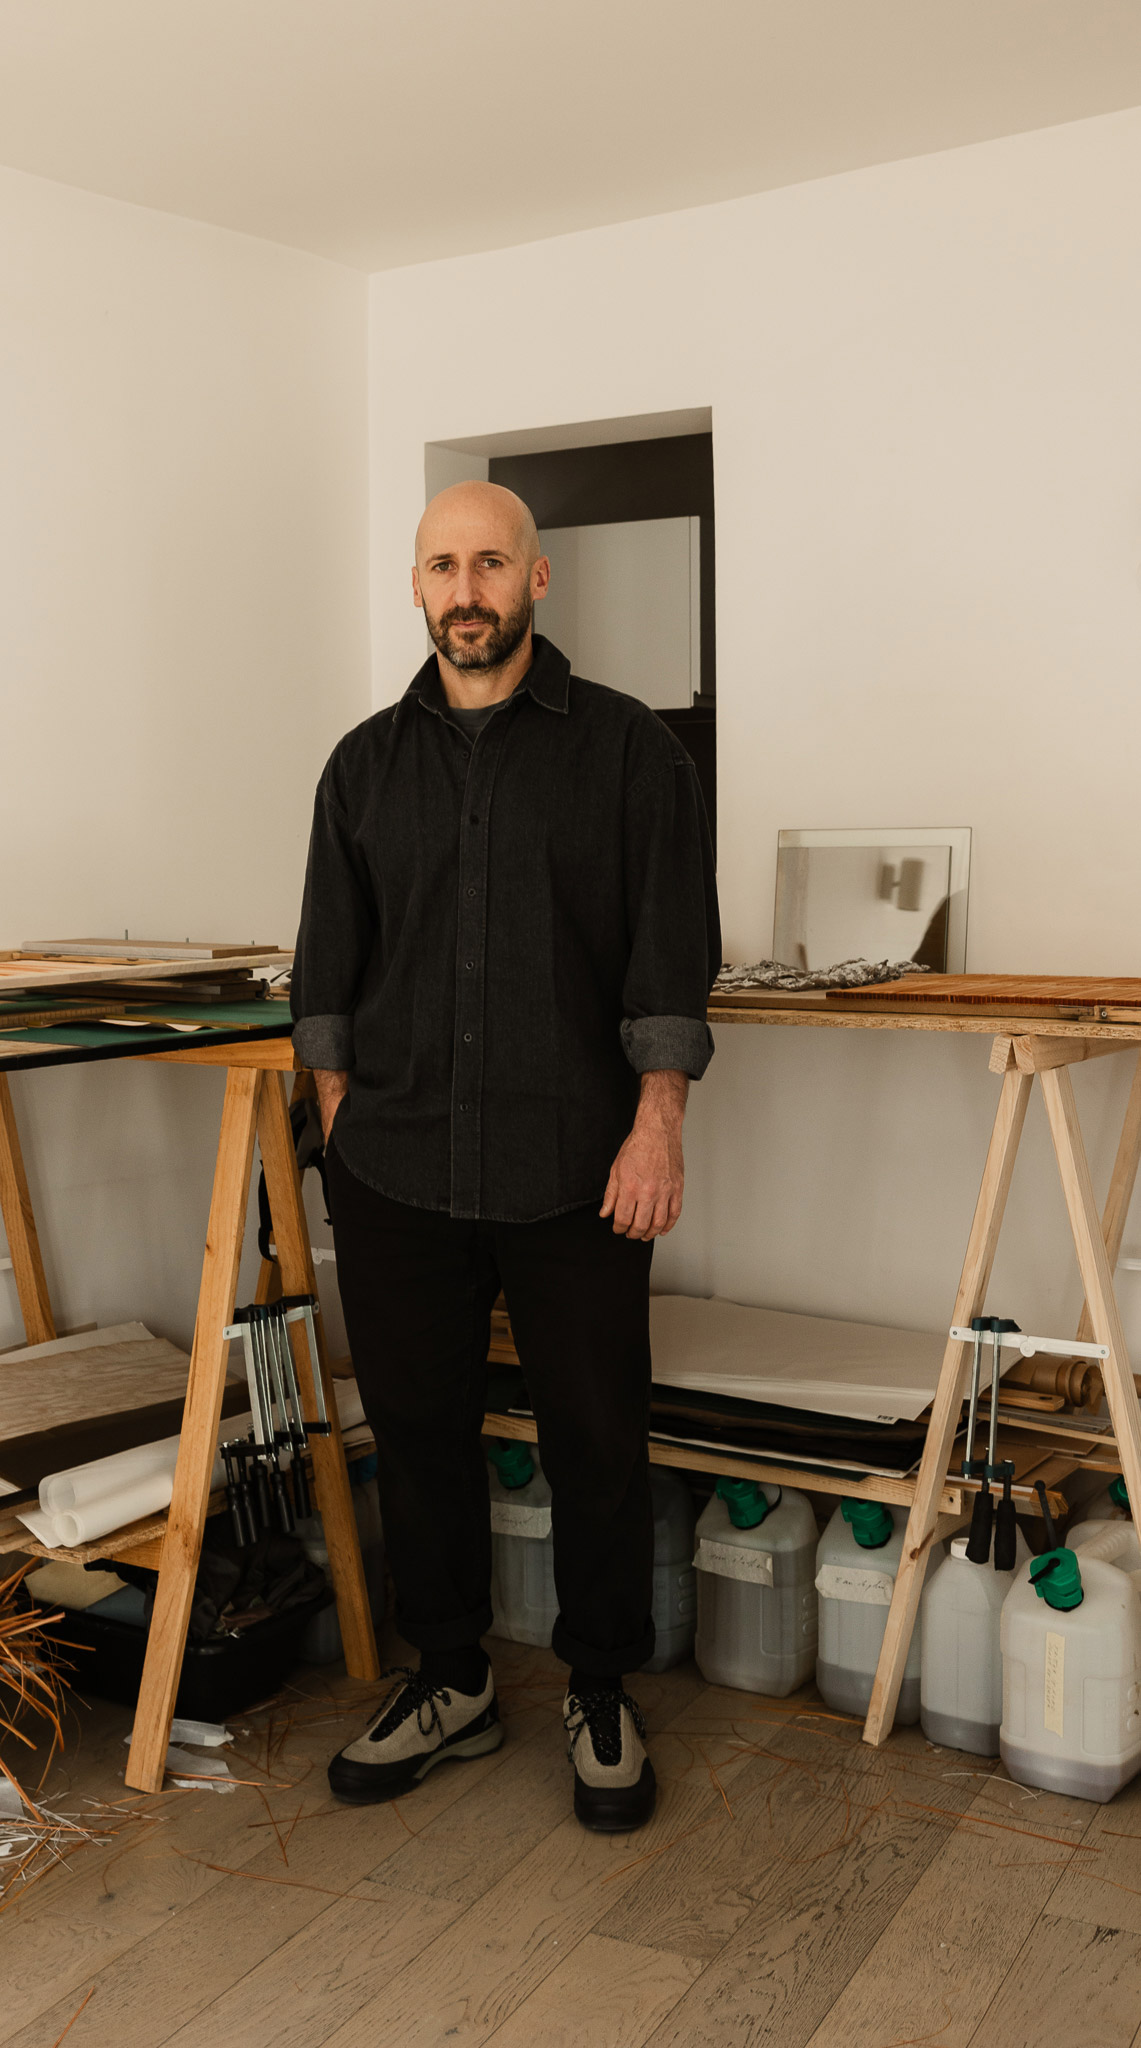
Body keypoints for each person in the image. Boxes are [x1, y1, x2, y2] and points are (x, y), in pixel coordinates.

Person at [291, 480, 720, 1832]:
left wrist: (657, 1126)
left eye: (489, 563)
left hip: (579, 1163)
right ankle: (452, 1678)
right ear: (415, 588)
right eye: (440, 566)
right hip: (397, 1164)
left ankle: (599, 1686)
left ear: (538, 580)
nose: (463, 589)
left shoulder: (631, 753)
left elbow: (668, 956)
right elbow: (327, 975)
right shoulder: (362, 764)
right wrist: (343, 1126)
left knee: (598, 1435)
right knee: (417, 1432)